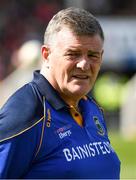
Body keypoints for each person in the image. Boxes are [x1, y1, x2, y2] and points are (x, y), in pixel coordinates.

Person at [0, 7, 120, 179]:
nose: (84, 65)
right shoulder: (27, 114)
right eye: (73, 54)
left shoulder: (91, 108)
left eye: (93, 55)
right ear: (46, 54)